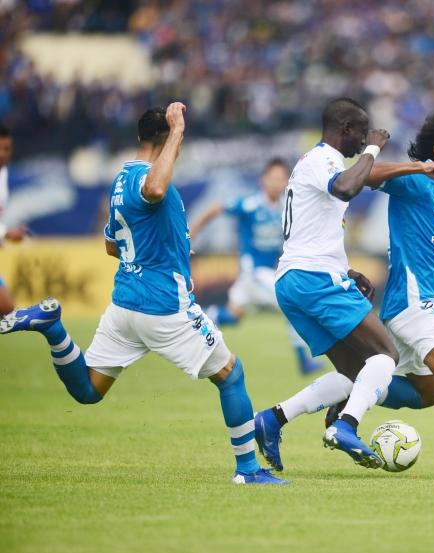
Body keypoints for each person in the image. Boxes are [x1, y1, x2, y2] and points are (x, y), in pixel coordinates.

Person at [0, 104, 284, 485]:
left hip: (125, 305)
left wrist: (171, 247)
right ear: (169, 141)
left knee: (88, 391)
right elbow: (155, 188)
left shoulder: (120, 179)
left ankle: (52, 328)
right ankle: (248, 470)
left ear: (138, 137)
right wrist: (178, 130)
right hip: (164, 306)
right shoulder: (149, 179)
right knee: (232, 376)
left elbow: (110, 246)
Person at [280, 109, 434, 480]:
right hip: (416, 301)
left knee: (428, 393)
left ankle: (349, 398)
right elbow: (369, 177)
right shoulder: (417, 178)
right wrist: (418, 167)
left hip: (410, 305)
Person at [253, 97, 434, 470]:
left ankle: (272, 419)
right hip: (313, 280)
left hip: (297, 279)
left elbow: (324, 219)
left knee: (354, 373)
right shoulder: (324, 159)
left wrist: (347, 272)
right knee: (386, 356)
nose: (363, 141)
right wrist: (375, 146)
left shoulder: (315, 163)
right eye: (360, 133)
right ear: (345, 129)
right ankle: (346, 425)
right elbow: (346, 188)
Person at [189, 158, 322, 375]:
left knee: (231, 316)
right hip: (253, 273)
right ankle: (303, 361)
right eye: (273, 177)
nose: (276, 183)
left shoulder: (285, 208)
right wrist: (192, 233)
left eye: (281, 179)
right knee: (292, 301)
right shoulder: (250, 204)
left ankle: (194, 320)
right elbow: (216, 208)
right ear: (263, 180)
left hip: (256, 277)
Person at [0, 123, 29, 315]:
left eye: (7, 149)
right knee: (6, 306)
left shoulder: (3, 173)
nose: (3, 154)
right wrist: (6, 233)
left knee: (6, 307)